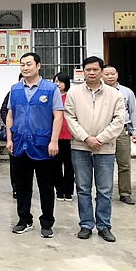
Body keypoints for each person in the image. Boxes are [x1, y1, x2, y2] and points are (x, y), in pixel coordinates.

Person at [65, 57, 125, 242]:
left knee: (105, 190)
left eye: (95, 69)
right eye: (88, 69)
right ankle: (86, 225)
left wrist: (100, 139)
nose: (91, 73)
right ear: (83, 71)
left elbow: (118, 121)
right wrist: (86, 138)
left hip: (105, 148)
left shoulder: (114, 94)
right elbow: (70, 118)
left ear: (101, 71)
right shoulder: (74, 93)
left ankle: (104, 226)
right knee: (83, 189)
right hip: (80, 147)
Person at [6, 52, 63, 238]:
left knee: (46, 186)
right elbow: (10, 115)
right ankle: (24, 220)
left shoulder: (50, 89)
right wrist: (9, 139)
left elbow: (58, 116)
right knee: (22, 186)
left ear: (38, 66)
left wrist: (54, 141)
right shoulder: (15, 89)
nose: (25, 68)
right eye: (22, 64)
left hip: (43, 145)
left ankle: (47, 222)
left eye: (29, 64)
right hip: (20, 144)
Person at [102, 64, 136, 205]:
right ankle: (103, 194)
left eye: (112, 74)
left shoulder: (127, 92)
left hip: (122, 131)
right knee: (104, 164)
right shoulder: (98, 91)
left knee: (124, 164)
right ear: (102, 75)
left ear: (117, 75)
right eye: (107, 74)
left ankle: (125, 193)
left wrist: (135, 132)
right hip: (103, 132)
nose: (110, 76)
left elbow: (133, 112)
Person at [53, 72, 74, 202]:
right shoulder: (51, 97)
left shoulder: (71, 97)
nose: (58, 84)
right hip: (56, 136)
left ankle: (68, 191)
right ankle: (59, 190)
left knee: (69, 165)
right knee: (56, 165)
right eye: (55, 81)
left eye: (60, 81)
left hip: (69, 135)